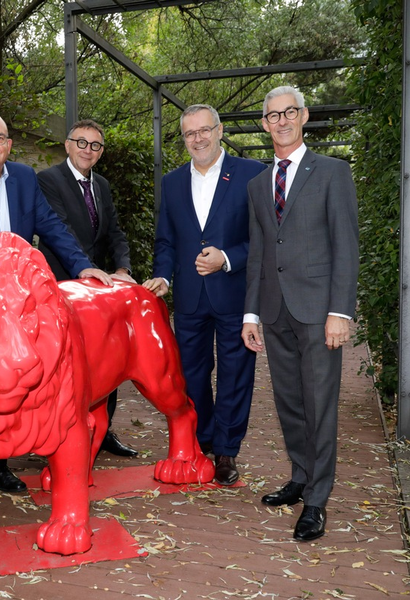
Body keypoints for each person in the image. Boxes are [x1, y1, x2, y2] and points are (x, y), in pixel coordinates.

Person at [0, 111, 115, 493]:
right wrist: (2, 256)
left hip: (17, 297)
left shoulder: (23, 177)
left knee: (11, 374)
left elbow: (50, 224)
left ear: (9, 144)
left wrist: (83, 267)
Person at [242, 86, 359, 542]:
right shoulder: (256, 184)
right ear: (265, 124)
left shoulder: (332, 172)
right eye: (273, 115)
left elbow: (346, 248)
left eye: (290, 112)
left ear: (304, 115)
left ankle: (317, 499)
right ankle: (299, 476)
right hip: (274, 311)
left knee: (320, 405)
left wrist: (340, 312)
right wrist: (251, 315)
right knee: (289, 402)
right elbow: (257, 255)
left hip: (317, 312)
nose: (282, 121)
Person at [143, 105, 266, 487]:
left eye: (204, 131)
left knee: (235, 375)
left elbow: (264, 239)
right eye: (189, 134)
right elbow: (166, 240)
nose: (197, 139)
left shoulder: (252, 174)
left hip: (234, 295)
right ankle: (203, 439)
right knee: (191, 375)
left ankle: (227, 452)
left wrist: (228, 258)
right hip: (191, 298)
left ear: (220, 130)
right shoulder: (172, 182)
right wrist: (163, 276)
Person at [37, 118, 138, 458]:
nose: (87, 150)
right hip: (64, 285)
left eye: (95, 145)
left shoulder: (103, 186)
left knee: (104, 358)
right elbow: (60, 231)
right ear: (67, 145)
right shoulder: (48, 180)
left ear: (101, 152)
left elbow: (115, 233)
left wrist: (122, 268)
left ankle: (104, 430)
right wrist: (87, 269)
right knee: (65, 364)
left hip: (98, 290)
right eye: (81, 142)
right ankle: (61, 436)